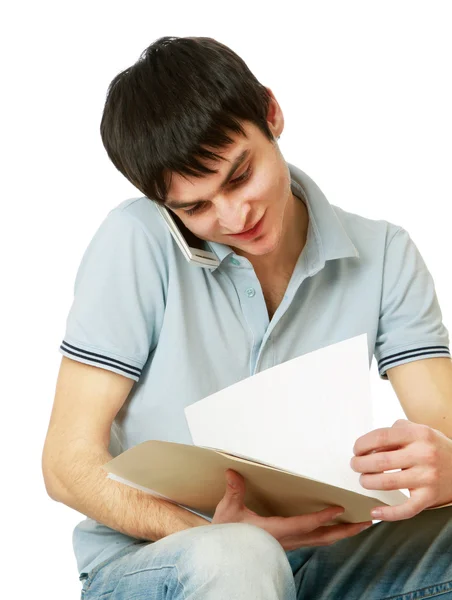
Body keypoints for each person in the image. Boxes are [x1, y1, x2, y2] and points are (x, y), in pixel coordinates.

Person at [42, 36, 452, 600]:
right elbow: (67, 465)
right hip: (159, 562)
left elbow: (442, 427)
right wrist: (215, 533)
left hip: (324, 560)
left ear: (271, 112)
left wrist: (445, 468)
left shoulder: (384, 252)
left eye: (239, 177)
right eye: (195, 207)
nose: (234, 217)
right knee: (239, 555)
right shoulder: (136, 239)